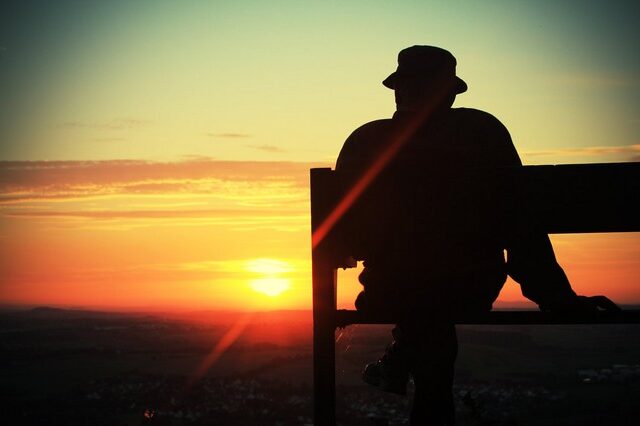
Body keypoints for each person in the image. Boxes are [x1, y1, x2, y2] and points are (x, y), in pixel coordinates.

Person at [334, 45, 619, 425]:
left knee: (420, 298)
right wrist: (556, 297)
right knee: (431, 303)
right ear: (449, 92)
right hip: (470, 284)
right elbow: (521, 224)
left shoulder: (365, 140)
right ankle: (403, 364)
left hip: (390, 288)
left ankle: (401, 360)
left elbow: (344, 241)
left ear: (398, 91)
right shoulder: (483, 132)